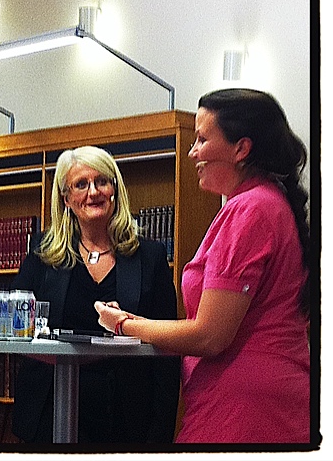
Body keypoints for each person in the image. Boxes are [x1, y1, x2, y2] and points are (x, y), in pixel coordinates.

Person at [95, 88, 311, 444]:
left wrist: (125, 325)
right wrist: (135, 324)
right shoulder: (267, 203)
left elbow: (210, 335)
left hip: (245, 410)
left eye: (201, 140)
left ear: (241, 149)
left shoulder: (250, 210)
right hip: (256, 399)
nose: (193, 152)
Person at [10, 145, 180, 446]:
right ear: (66, 198)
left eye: (102, 181)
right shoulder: (42, 252)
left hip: (128, 415)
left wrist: (161, 430)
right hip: (51, 410)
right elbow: (16, 324)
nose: (93, 192)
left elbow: (167, 349)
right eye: (81, 184)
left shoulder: (150, 257)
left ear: (115, 190)